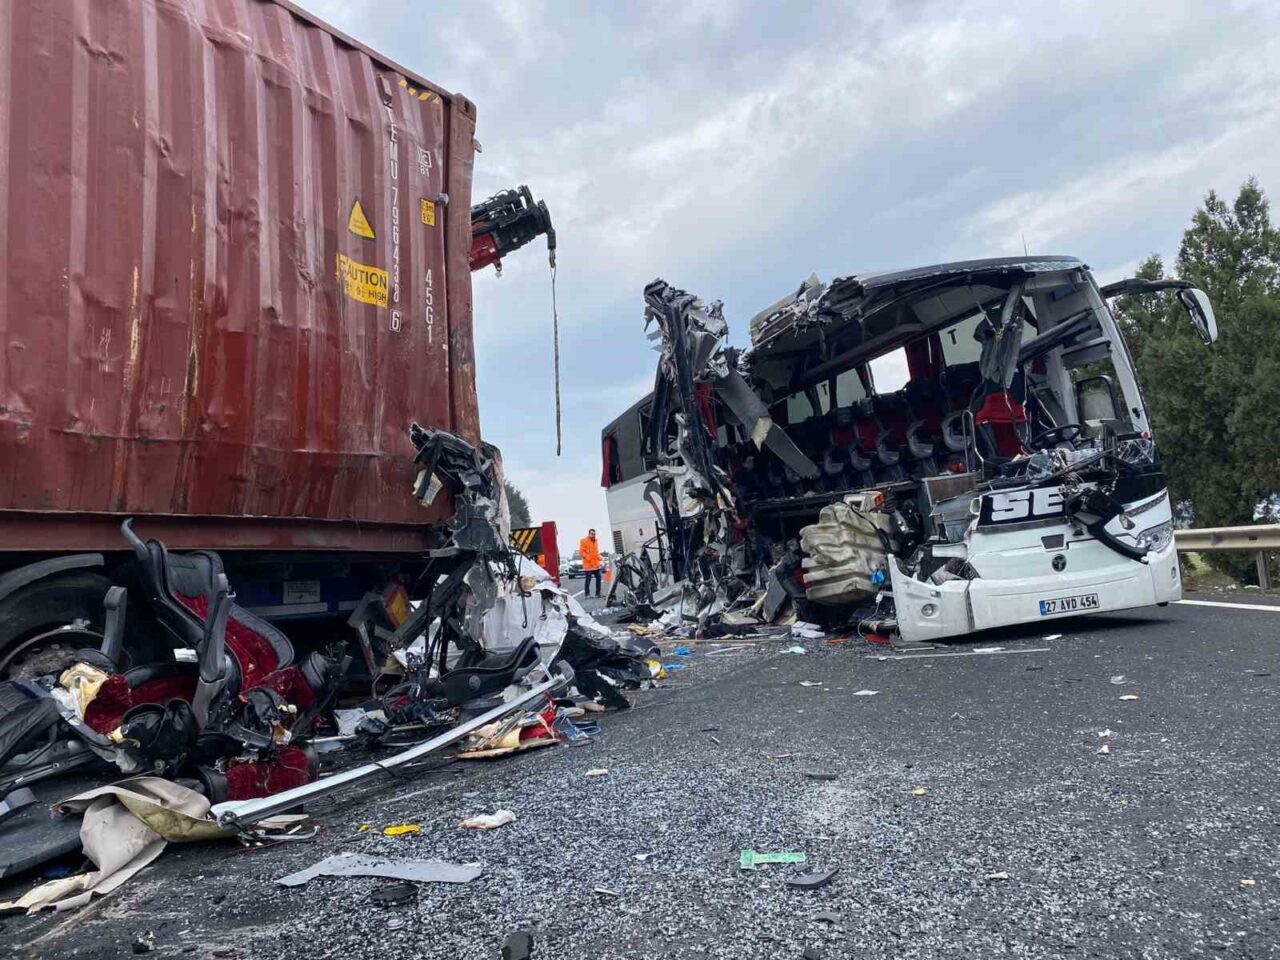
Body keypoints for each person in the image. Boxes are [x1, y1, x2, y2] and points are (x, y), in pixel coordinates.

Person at [579, 528, 602, 598]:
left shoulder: (595, 541)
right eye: (592, 534)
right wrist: (588, 558)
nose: (593, 535)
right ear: (589, 534)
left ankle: (598, 594)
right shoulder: (583, 541)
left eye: (594, 534)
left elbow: (596, 552)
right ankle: (587, 594)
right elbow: (581, 552)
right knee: (588, 580)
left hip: (595, 565)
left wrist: (599, 557)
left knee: (599, 578)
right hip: (588, 565)